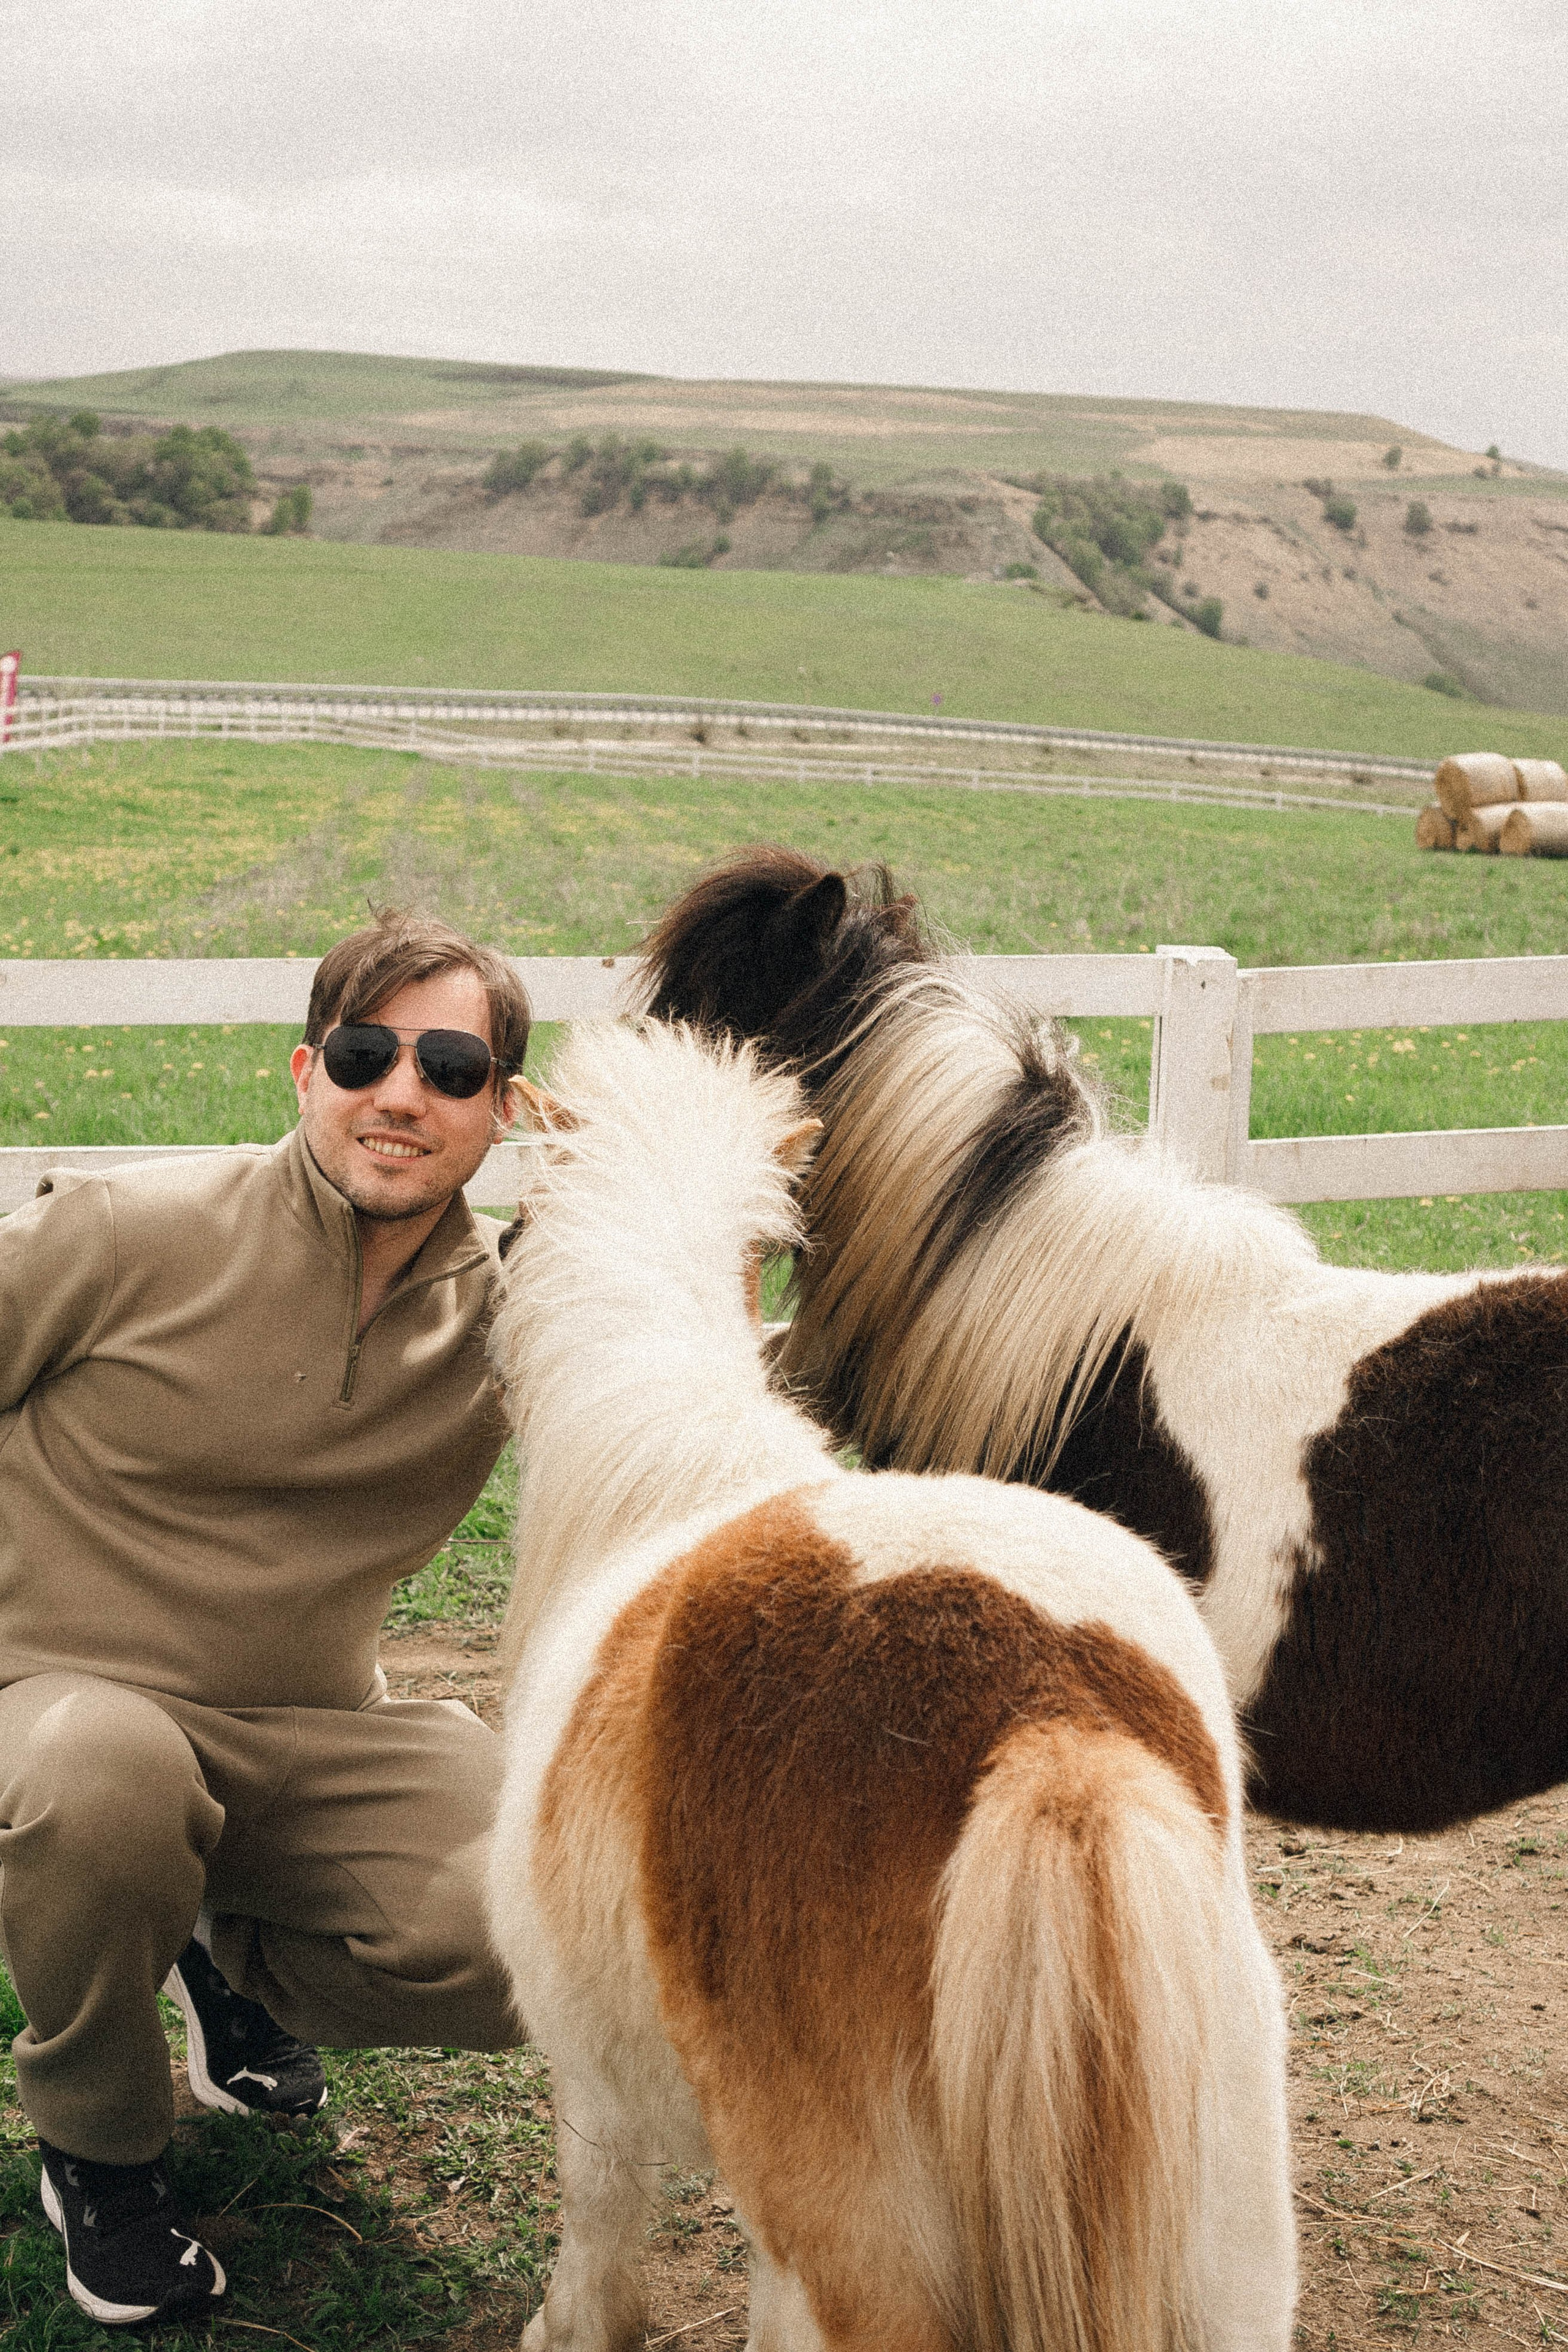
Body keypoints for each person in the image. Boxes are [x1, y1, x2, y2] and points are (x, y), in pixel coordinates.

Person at [0, 907, 530, 2326]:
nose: (402, 1092)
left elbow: (705, 1391)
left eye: (453, 1067)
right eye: (366, 1051)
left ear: (507, 1108)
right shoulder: (126, 1230)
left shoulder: (519, 1319)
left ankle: (221, 1956)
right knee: (104, 1780)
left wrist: (639, 1193)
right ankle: (102, 2154)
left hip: (309, 1730)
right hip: (58, 1711)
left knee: (545, 1917)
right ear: (306, 1074)